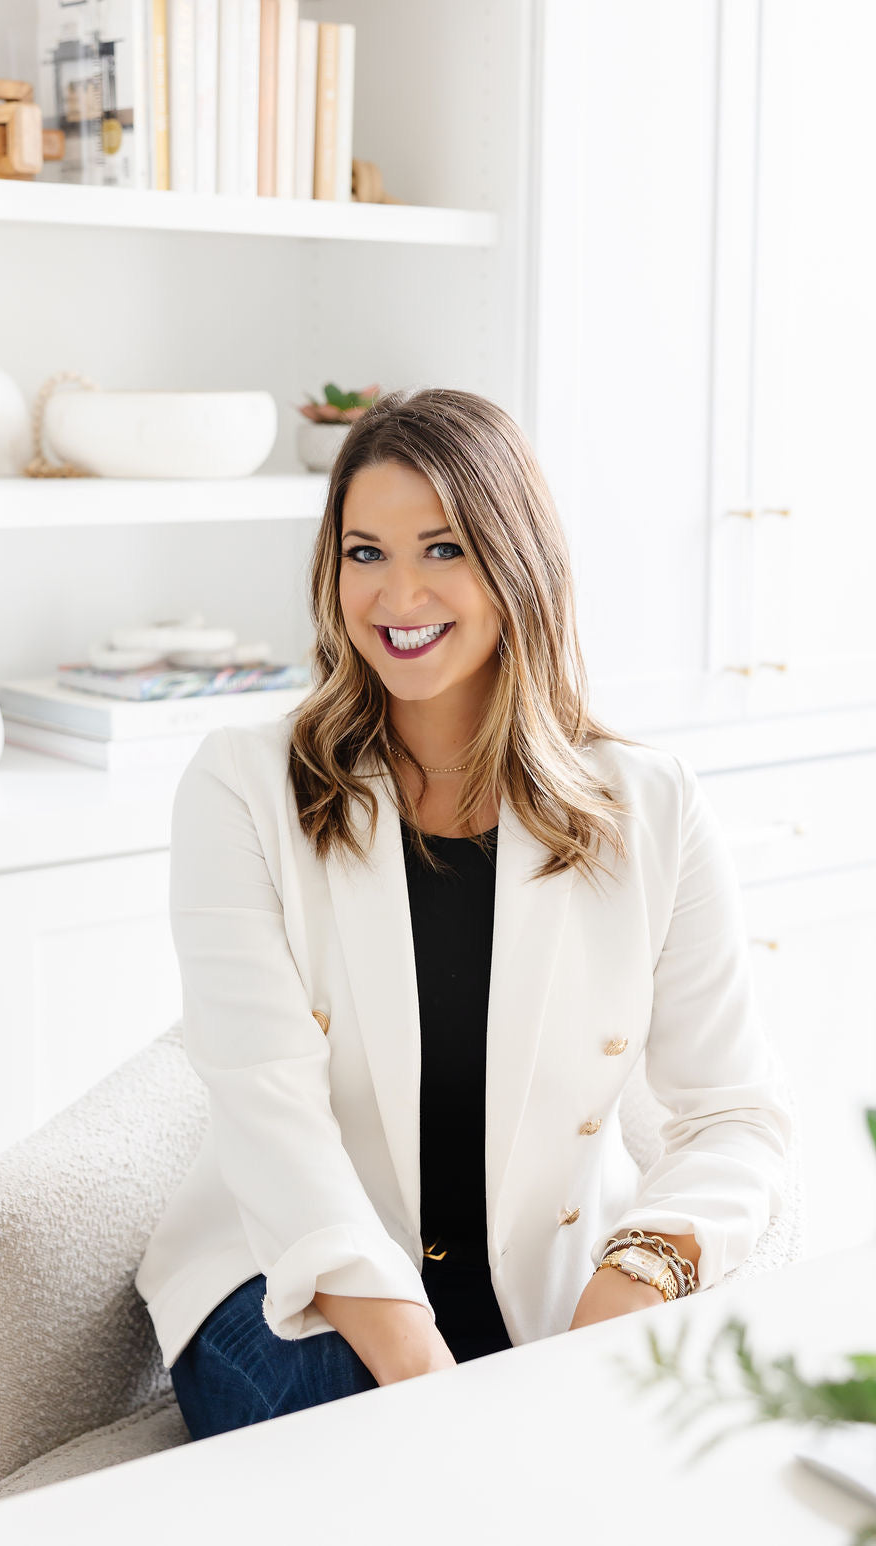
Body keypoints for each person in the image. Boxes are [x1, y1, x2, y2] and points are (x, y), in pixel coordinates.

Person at [135, 387, 794, 1442]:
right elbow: (270, 1114)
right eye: (364, 552)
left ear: (515, 560)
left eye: (442, 548)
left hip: (541, 1290)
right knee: (387, 1457)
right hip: (294, 1275)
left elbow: (732, 1115)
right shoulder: (243, 786)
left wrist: (635, 1280)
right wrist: (442, 1396)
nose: (397, 591)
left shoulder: (649, 807)